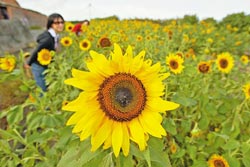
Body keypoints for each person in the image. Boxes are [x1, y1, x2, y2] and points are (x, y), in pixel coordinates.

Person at [27, 13, 64, 92]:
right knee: (42, 90)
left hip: (45, 64)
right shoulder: (48, 38)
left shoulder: (54, 35)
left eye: (62, 22)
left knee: (46, 86)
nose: (60, 25)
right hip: (38, 66)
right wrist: (28, 63)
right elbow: (37, 50)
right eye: (57, 23)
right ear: (51, 25)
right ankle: (43, 104)